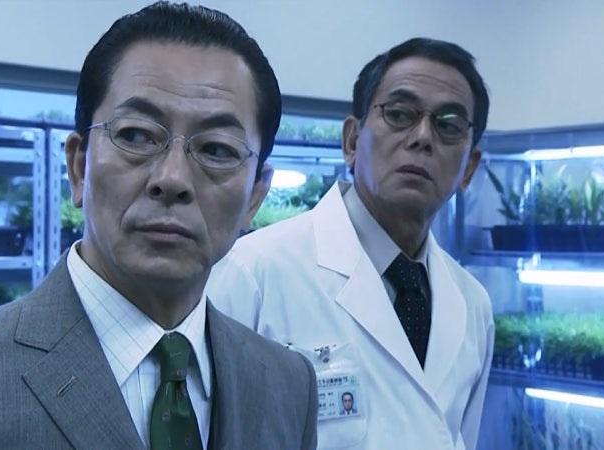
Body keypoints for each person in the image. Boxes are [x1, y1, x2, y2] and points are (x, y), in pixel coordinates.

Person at [0, 3, 318, 449]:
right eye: (136, 136)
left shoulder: (289, 386)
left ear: (255, 196)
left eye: (217, 150)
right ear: (79, 167)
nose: (172, 179)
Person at [207, 37, 493, 450]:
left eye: (448, 125)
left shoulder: (473, 305)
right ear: (352, 141)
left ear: (469, 168)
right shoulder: (253, 271)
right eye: (399, 114)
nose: (422, 137)